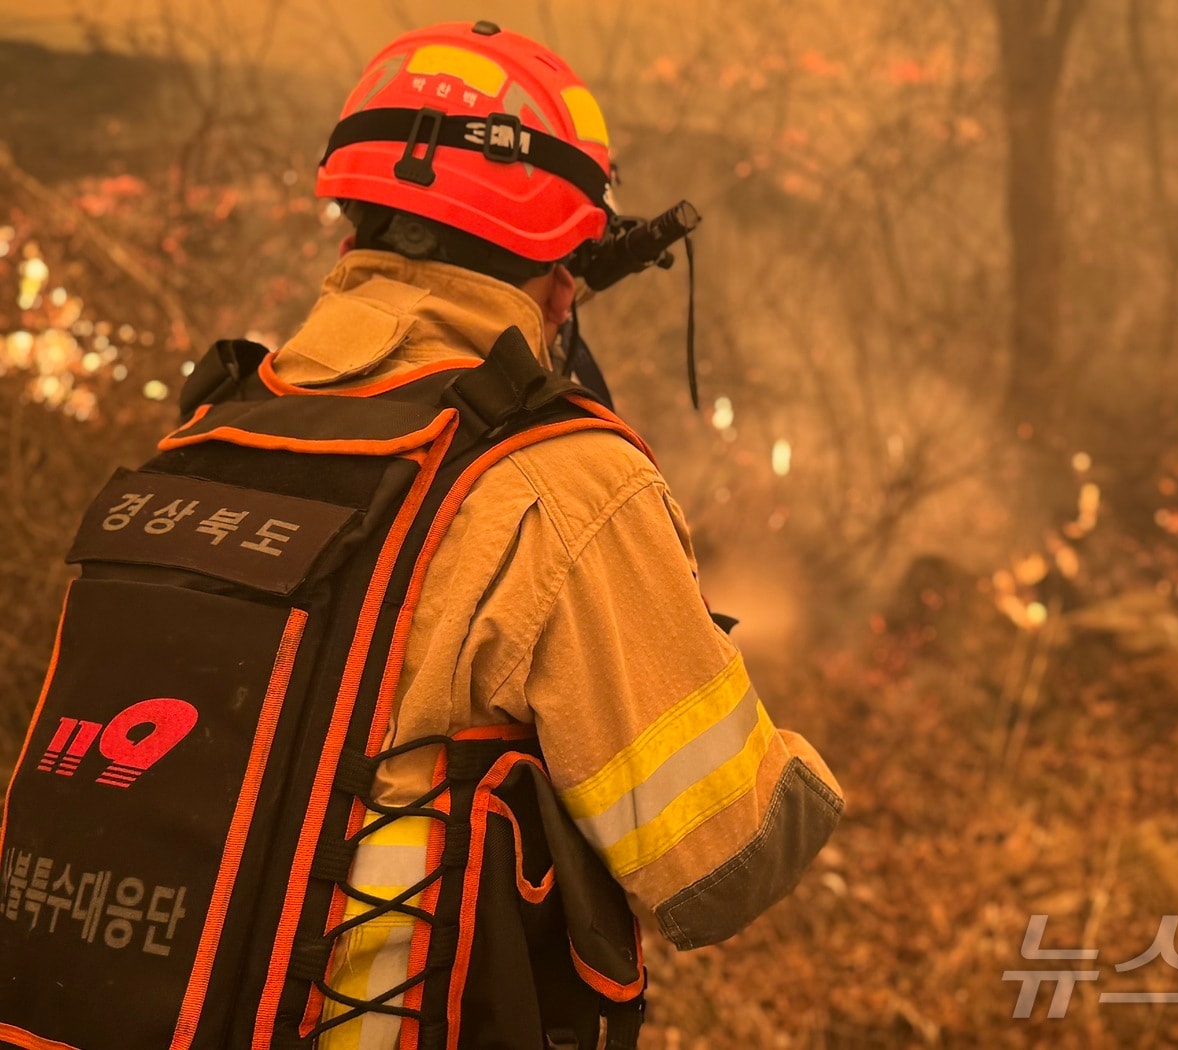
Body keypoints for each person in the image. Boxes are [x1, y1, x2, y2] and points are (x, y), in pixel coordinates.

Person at [0, 21, 841, 1050]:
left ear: (352, 226)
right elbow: (725, 865)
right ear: (563, 272)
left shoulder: (207, 433)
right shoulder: (563, 484)